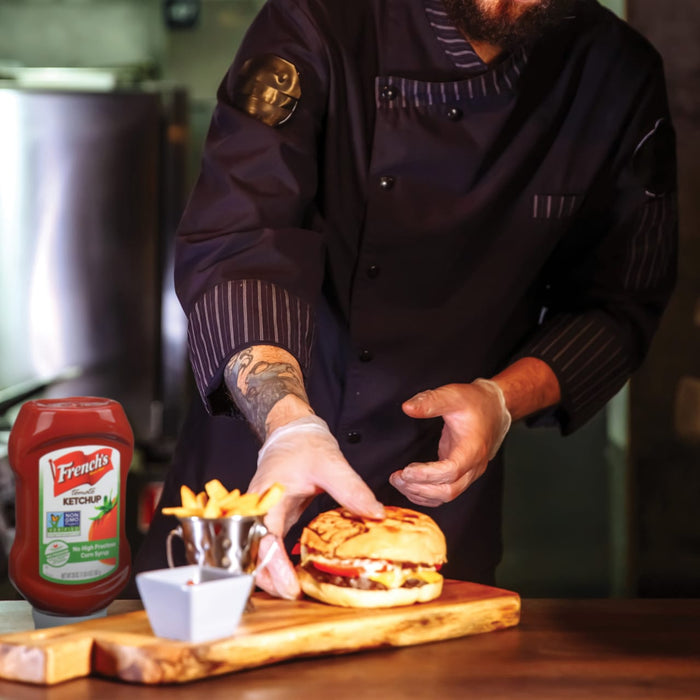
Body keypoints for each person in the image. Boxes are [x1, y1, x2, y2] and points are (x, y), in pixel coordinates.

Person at [134, 0, 677, 599]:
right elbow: (239, 242)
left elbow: (619, 305)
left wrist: (501, 399)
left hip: (433, 515)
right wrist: (288, 427)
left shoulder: (616, 76)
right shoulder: (317, 20)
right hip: (252, 483)